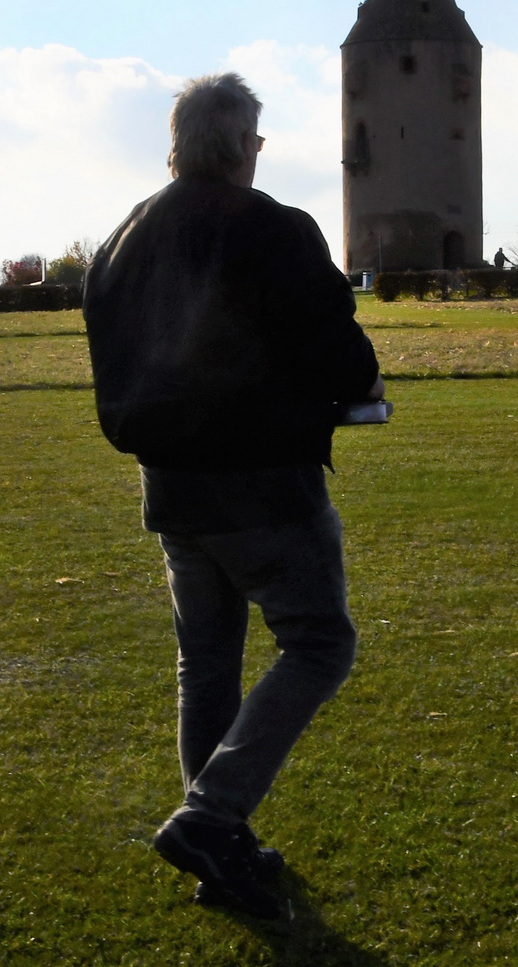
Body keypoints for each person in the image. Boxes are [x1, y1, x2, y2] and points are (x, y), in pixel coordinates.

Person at [83, 73, 382, 921]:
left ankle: (220, 844)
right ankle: (211, 819)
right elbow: (337, 351)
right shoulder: (272, 229)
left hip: (171, 487)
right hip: (262, 482)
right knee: (319, 644)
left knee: (206, 665)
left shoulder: (121, 240)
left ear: (176, 144)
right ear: (245, 146)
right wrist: (361, 383)